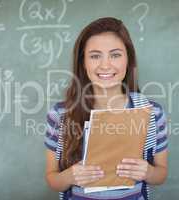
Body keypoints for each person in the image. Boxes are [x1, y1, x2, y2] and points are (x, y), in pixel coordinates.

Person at [44, 17, 168, 200]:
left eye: (115, 54)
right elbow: (52, 179)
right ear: (83, 62)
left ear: (128, 59)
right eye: (95, 56)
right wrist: (69, 176)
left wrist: (148, 172)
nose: (105, 65)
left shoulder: (152, 112)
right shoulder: (61, 114)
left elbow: (161, 174)